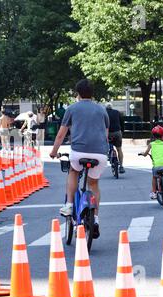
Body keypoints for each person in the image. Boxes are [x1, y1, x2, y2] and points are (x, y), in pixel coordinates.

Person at [49, 79, 109, 239]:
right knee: (94, 183)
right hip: (100, 153)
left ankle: (69, 204)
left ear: (78, 93)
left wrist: (54, 151)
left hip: (78, 152)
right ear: (92, 93)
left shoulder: (72, 109)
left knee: (74, 171)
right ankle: (95, 218)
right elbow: (106, 134)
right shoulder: (102, 110)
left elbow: (61, 134)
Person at [139, 125, 163, 199]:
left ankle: (153, 192)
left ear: (153, 136)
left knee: (154, 177)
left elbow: (146, 154)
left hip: (156, 167)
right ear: (162, 136)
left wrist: (142, 154)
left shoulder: (151, 144)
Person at [105, 102, 125, 173]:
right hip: (117, 132)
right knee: (119, 149)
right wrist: (122, 131)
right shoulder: (117, 112)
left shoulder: (104, 113)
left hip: (107, 133)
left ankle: (108, 154)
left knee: (105, 144)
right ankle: (121, 166)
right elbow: (122, 122)